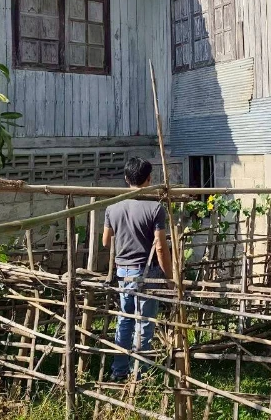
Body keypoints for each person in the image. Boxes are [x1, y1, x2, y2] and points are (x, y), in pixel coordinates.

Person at [102, 157, 172, 380]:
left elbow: (106, 241)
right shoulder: (155, 208)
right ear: (149, 179)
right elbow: (160, 247)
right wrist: (169, 277)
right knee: (144, 323)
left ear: (126, 178)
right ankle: (139, 373)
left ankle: (119, 370)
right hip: (146, 271)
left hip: (123, 271)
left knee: (125, 320)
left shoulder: (112, 208)